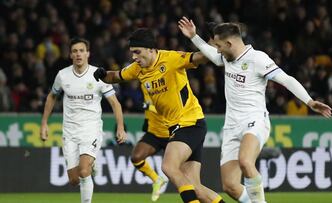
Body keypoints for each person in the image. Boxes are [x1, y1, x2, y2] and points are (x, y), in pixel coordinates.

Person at [178, 16, 332, 203]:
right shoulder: (226, 58)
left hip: (254, 120)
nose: (217, 50)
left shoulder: (257, 59)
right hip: (231, 126)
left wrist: (309, 101)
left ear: (228, 43)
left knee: (245, 161)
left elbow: (286, 79)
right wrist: (194, 36)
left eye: (219, 46)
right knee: (230, 186)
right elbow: (211, 54)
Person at [94, 28, 225, 203]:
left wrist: (211, 43)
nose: (134, 57)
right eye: (132, 53)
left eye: (137, 52)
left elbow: (203, 57)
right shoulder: (138, 69)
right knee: (196, 188)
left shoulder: (171, 58)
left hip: (189, 122)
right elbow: (115, 76)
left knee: (169, 166)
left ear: (150, 49)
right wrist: (102, 75)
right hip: (180, 127)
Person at [40, 37, 127, 203]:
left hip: (91, 129)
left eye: (81, 51)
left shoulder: (99, 76)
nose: (78, 54)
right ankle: (92, 165)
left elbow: (115, 104)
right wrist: (44, 123)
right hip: (69, 131)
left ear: (88, 53)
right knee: (74, 180)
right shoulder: (62, 76)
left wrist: (120, 127)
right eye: (74, 51)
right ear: (70, 55)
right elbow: (52, 97)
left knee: (84, 171)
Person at [130, 90, 169, 202]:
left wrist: (148, 106)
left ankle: (195, 193)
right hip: (154, 133)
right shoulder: (145, 83)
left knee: (183, 169)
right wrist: (147, 121)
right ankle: (157, 180)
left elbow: (166, 108)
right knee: (136, 157)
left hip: (172, 134)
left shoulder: (165, 85)